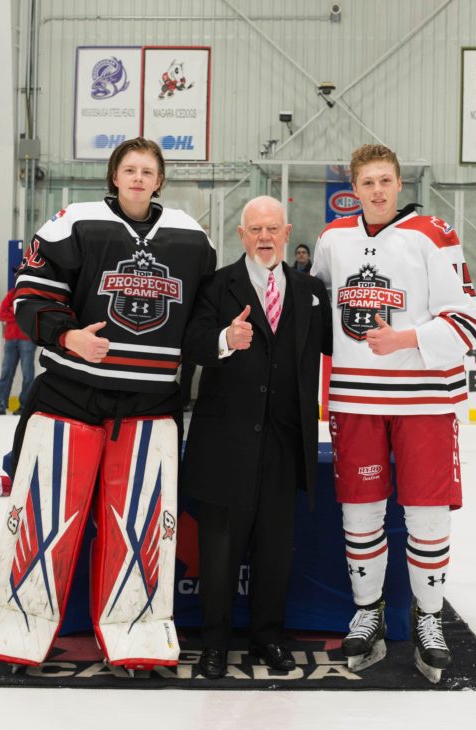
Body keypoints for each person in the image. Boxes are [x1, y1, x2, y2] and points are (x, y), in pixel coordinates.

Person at [0, 137, 215, 671]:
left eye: (147, 170)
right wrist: (67, 337)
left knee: (141, 528)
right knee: (44, 518)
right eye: (128, 168)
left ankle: (138, 635)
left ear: (159, 179)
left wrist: (221, 340)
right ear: (113, 175)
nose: (137, 177)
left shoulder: (191, 236)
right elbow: (30, 297)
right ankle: (19, 628)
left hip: (151, 405)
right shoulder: (73, 221)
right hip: (70, 397)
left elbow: (201, 317)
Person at [312, 144, 476, 683]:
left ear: (399, 183)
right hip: (355, 399)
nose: (378, 191)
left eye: (386, 181)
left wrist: (406, 337)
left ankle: (428, 617)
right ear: (353, 188)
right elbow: (312, 311)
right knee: (360, 512)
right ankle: (369, 611)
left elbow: (466, 322)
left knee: (427, 515)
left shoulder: (435, 234)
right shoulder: (332, 239)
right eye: (367, 183)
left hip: (424, 400)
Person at [181, 195, 332, 679]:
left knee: (274, 550)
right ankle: (214, 643)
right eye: (255, 229)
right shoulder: (216, 284)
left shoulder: (310, 290)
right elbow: (192, 341)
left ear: (287, 233)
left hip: (285, 445)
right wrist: (225, 340)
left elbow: (333, 347)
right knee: (220, 552)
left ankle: (269, 636)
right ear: (242, 235)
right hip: (224, 443)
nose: (264, 237)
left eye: (272, 229)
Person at [0, 286, 36, 416]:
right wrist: (19, 314)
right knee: (6, 373)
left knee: (27, 374)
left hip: (27, 339)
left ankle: (25, 406)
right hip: (11, 339)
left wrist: (12, 312)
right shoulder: (12, 293)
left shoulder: (34, 294)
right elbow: (2, 314)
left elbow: (33, 316)